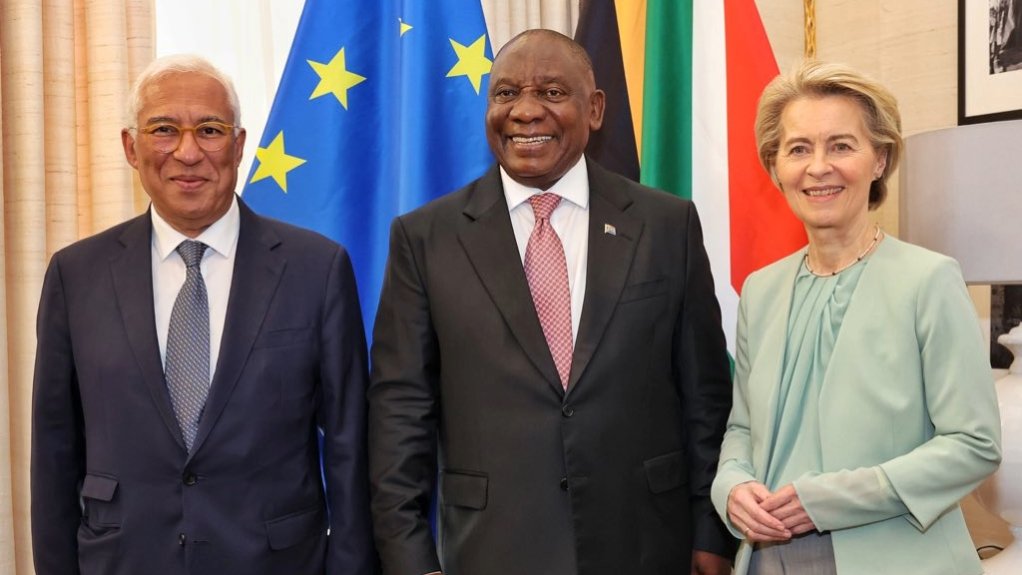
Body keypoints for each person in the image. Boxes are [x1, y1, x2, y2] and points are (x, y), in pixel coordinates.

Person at [368, 29, 735, 575]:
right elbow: (400, 414)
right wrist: (410, 560)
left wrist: (712, 534)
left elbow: (705, 397)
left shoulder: (666, 225)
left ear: (595, 109)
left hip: (646, 545)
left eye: (552, 93)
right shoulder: (425, 239)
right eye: (506, 93)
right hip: (492, 549)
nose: (525, 111)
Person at [31, 54, 377, 575]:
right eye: (164, 129)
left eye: (210, 130)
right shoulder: (75, 275)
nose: (188, 152)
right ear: (131, 146)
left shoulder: (318, 269)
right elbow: (54, 452)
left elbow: (353, 447)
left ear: (238, 146)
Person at [710, 60, 1002, 575]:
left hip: (897, 557)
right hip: (764, 558)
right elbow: (742, 428)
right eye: (798, 149)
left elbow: (974, 445)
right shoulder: (760, 290)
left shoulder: (929, 280)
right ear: (775, 167)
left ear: (879, 160)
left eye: (841, 145)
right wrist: (731, 486)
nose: (818, 166)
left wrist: (828, 499)